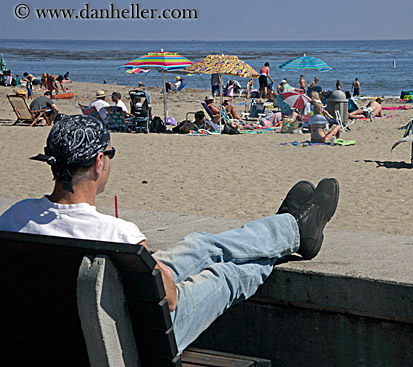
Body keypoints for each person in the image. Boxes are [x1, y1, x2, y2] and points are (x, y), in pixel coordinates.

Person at [0, 114, 340, 352]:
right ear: (99, 163)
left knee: (198, 245)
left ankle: (290, 228)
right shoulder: (117, 234)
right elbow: (172, 300)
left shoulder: (12, 219)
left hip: (56, 336)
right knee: (226, 273)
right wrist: (163, 275)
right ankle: (293, 229)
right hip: (134, 340)